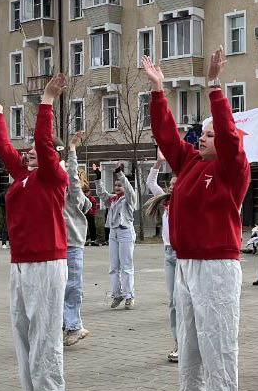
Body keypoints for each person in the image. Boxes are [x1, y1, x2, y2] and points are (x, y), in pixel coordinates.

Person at [143, 49, 249, 391]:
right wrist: (158, 90)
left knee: (216, 342)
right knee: (189, 345)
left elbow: (227, 135)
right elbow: (166, 134)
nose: (200, 139)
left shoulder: (231, 170)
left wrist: (215, 88)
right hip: (187, 266)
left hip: (218, 267)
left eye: (207, 136)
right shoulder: (188, 164)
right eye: (199, 135)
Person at [0, 74, 70, 391]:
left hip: (48, 261)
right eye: (30, 151)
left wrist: (46, 102)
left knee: (44, 328)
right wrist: (0, 113)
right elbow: (4, 147)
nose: (30, 152)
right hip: (20, 263)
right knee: (21, 329)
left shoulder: (54, 176)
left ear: (52, 154)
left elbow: (43, 142)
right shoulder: (22, 176)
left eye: (36, 150)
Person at [145, 151, 179, 362]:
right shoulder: (165, 201)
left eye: (178, 184)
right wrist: (159, 162)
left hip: (184, 254)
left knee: (183, 300)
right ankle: (178, 343)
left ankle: (188, 342)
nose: (174, 187)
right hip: (168, 254)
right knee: (173, 302)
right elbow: (150, 182)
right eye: (172, 185)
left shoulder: (188, 201)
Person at [62, 132, 93, 347]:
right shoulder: (57, 193)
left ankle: (73, 326)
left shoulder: (76, 196)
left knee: (72, 287)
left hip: (72, 246)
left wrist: (71, 152)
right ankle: (73, 325)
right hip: (55, 247)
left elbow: (72, 180)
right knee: (60, 289)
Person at [94, 161, 138, 309]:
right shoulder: (112, 199)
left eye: (120, 185)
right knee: (113, 267)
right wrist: (98, 176)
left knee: (126, 266)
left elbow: (129, 189)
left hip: (125, 232)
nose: (117, 187)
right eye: (116, 185)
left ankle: (129, 296)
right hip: (113, 233)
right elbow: (101, 193)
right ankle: (117, 294)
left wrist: (120, 173)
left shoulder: (129, 199)